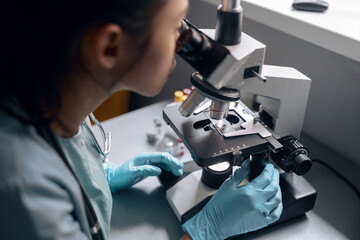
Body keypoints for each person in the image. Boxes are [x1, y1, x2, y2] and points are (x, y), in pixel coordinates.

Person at [0, 0, 282, 239]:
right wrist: (205, 231)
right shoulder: (27, 195)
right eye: (176, 26)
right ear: (111, 47)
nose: (184, 42)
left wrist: (97, 175)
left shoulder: (49, 96)